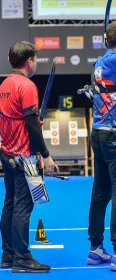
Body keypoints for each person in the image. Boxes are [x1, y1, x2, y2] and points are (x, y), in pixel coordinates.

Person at [0, 41, 58, 273]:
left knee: (10, 204)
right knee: (23, 207)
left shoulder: (4, 85)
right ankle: (22, 259)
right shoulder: (27, 85)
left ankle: (8, 255)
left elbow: (22, 120)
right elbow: (32, 124)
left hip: (7, 154)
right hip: (24, 157)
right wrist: (46, 156)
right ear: (29, 61)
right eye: (34, 59)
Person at [86, 21, 116, 271]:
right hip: (113, 135)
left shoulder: (99, 61)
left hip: (98, 132)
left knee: (101, 192)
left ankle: (96, 249)